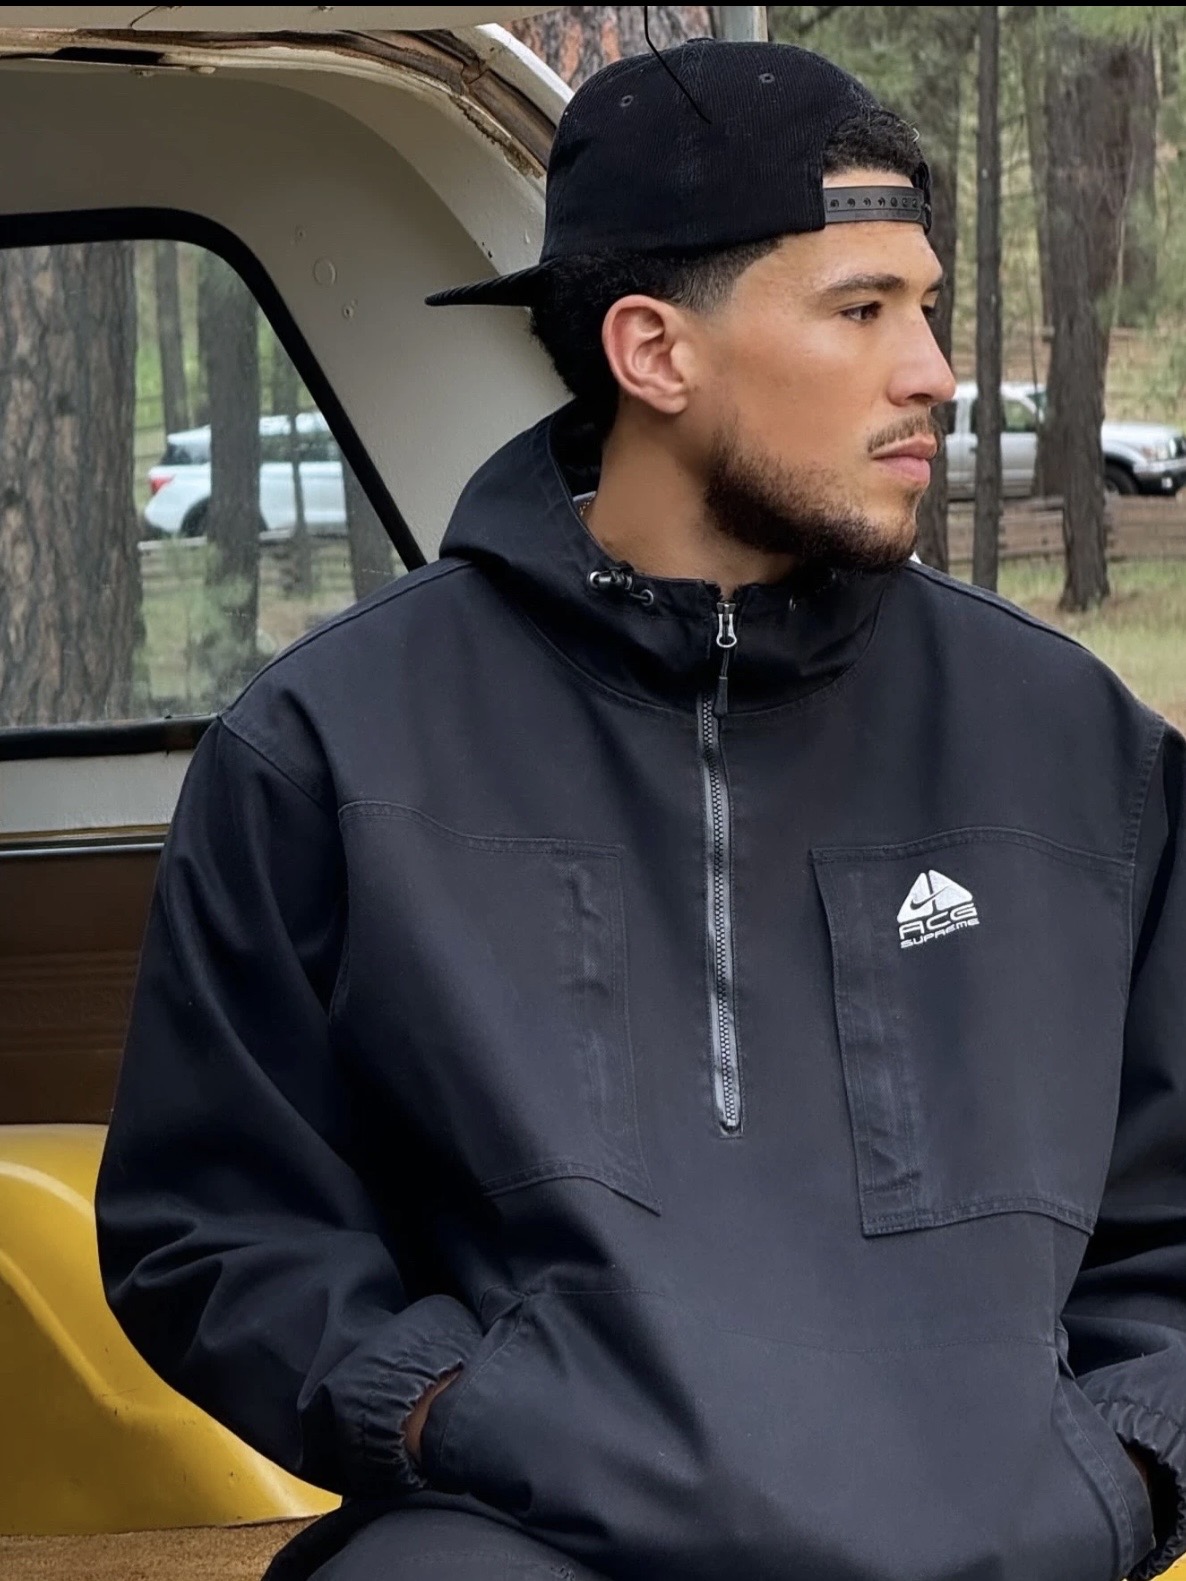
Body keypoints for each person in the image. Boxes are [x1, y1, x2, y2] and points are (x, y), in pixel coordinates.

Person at [96, 38, 1186, 1581]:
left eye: (926, 305)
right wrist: (452, 1415)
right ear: (652, 352)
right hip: (535, 1542)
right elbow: (215, 1224)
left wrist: (1113, 1470)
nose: (932, 369)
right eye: (861, 309)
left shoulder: (1075, 751)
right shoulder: (328, 748)